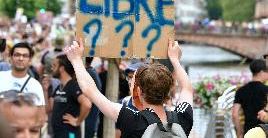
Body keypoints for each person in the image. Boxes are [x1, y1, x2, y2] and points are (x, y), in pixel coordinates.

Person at [64, 38, 193, 137]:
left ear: (140, 91)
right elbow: (187, 88)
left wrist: (76, 60)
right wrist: (175, 60)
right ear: (168, 89)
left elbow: (90, 91)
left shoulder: (132, 120)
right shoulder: (183, 117)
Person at [42, 54, 92, 138]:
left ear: (62, 68)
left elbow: (87, 104)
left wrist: (78, 121)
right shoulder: (59, 87)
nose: (51, 68)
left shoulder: (73, 85)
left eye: (54, 65)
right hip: (58, 133)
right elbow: (48, 108)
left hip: (70, 134)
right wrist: (45, 90)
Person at [232, 59, 268, 138]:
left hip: (248, 131)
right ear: (261, 72)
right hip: (263, 131)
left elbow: (235, 114)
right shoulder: (266, 90)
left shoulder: (241, 91)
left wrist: (239, 132)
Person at [115, 62, 147, 138]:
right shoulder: (123, 103)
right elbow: (118, 133)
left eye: (134, 78)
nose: (130, 81)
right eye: (129, 77)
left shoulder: (156, 104)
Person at [85, 57, 102, 138]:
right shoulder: (91, 73)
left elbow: (87, 104)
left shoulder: (89, 74)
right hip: (89, 122)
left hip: (87, 123)